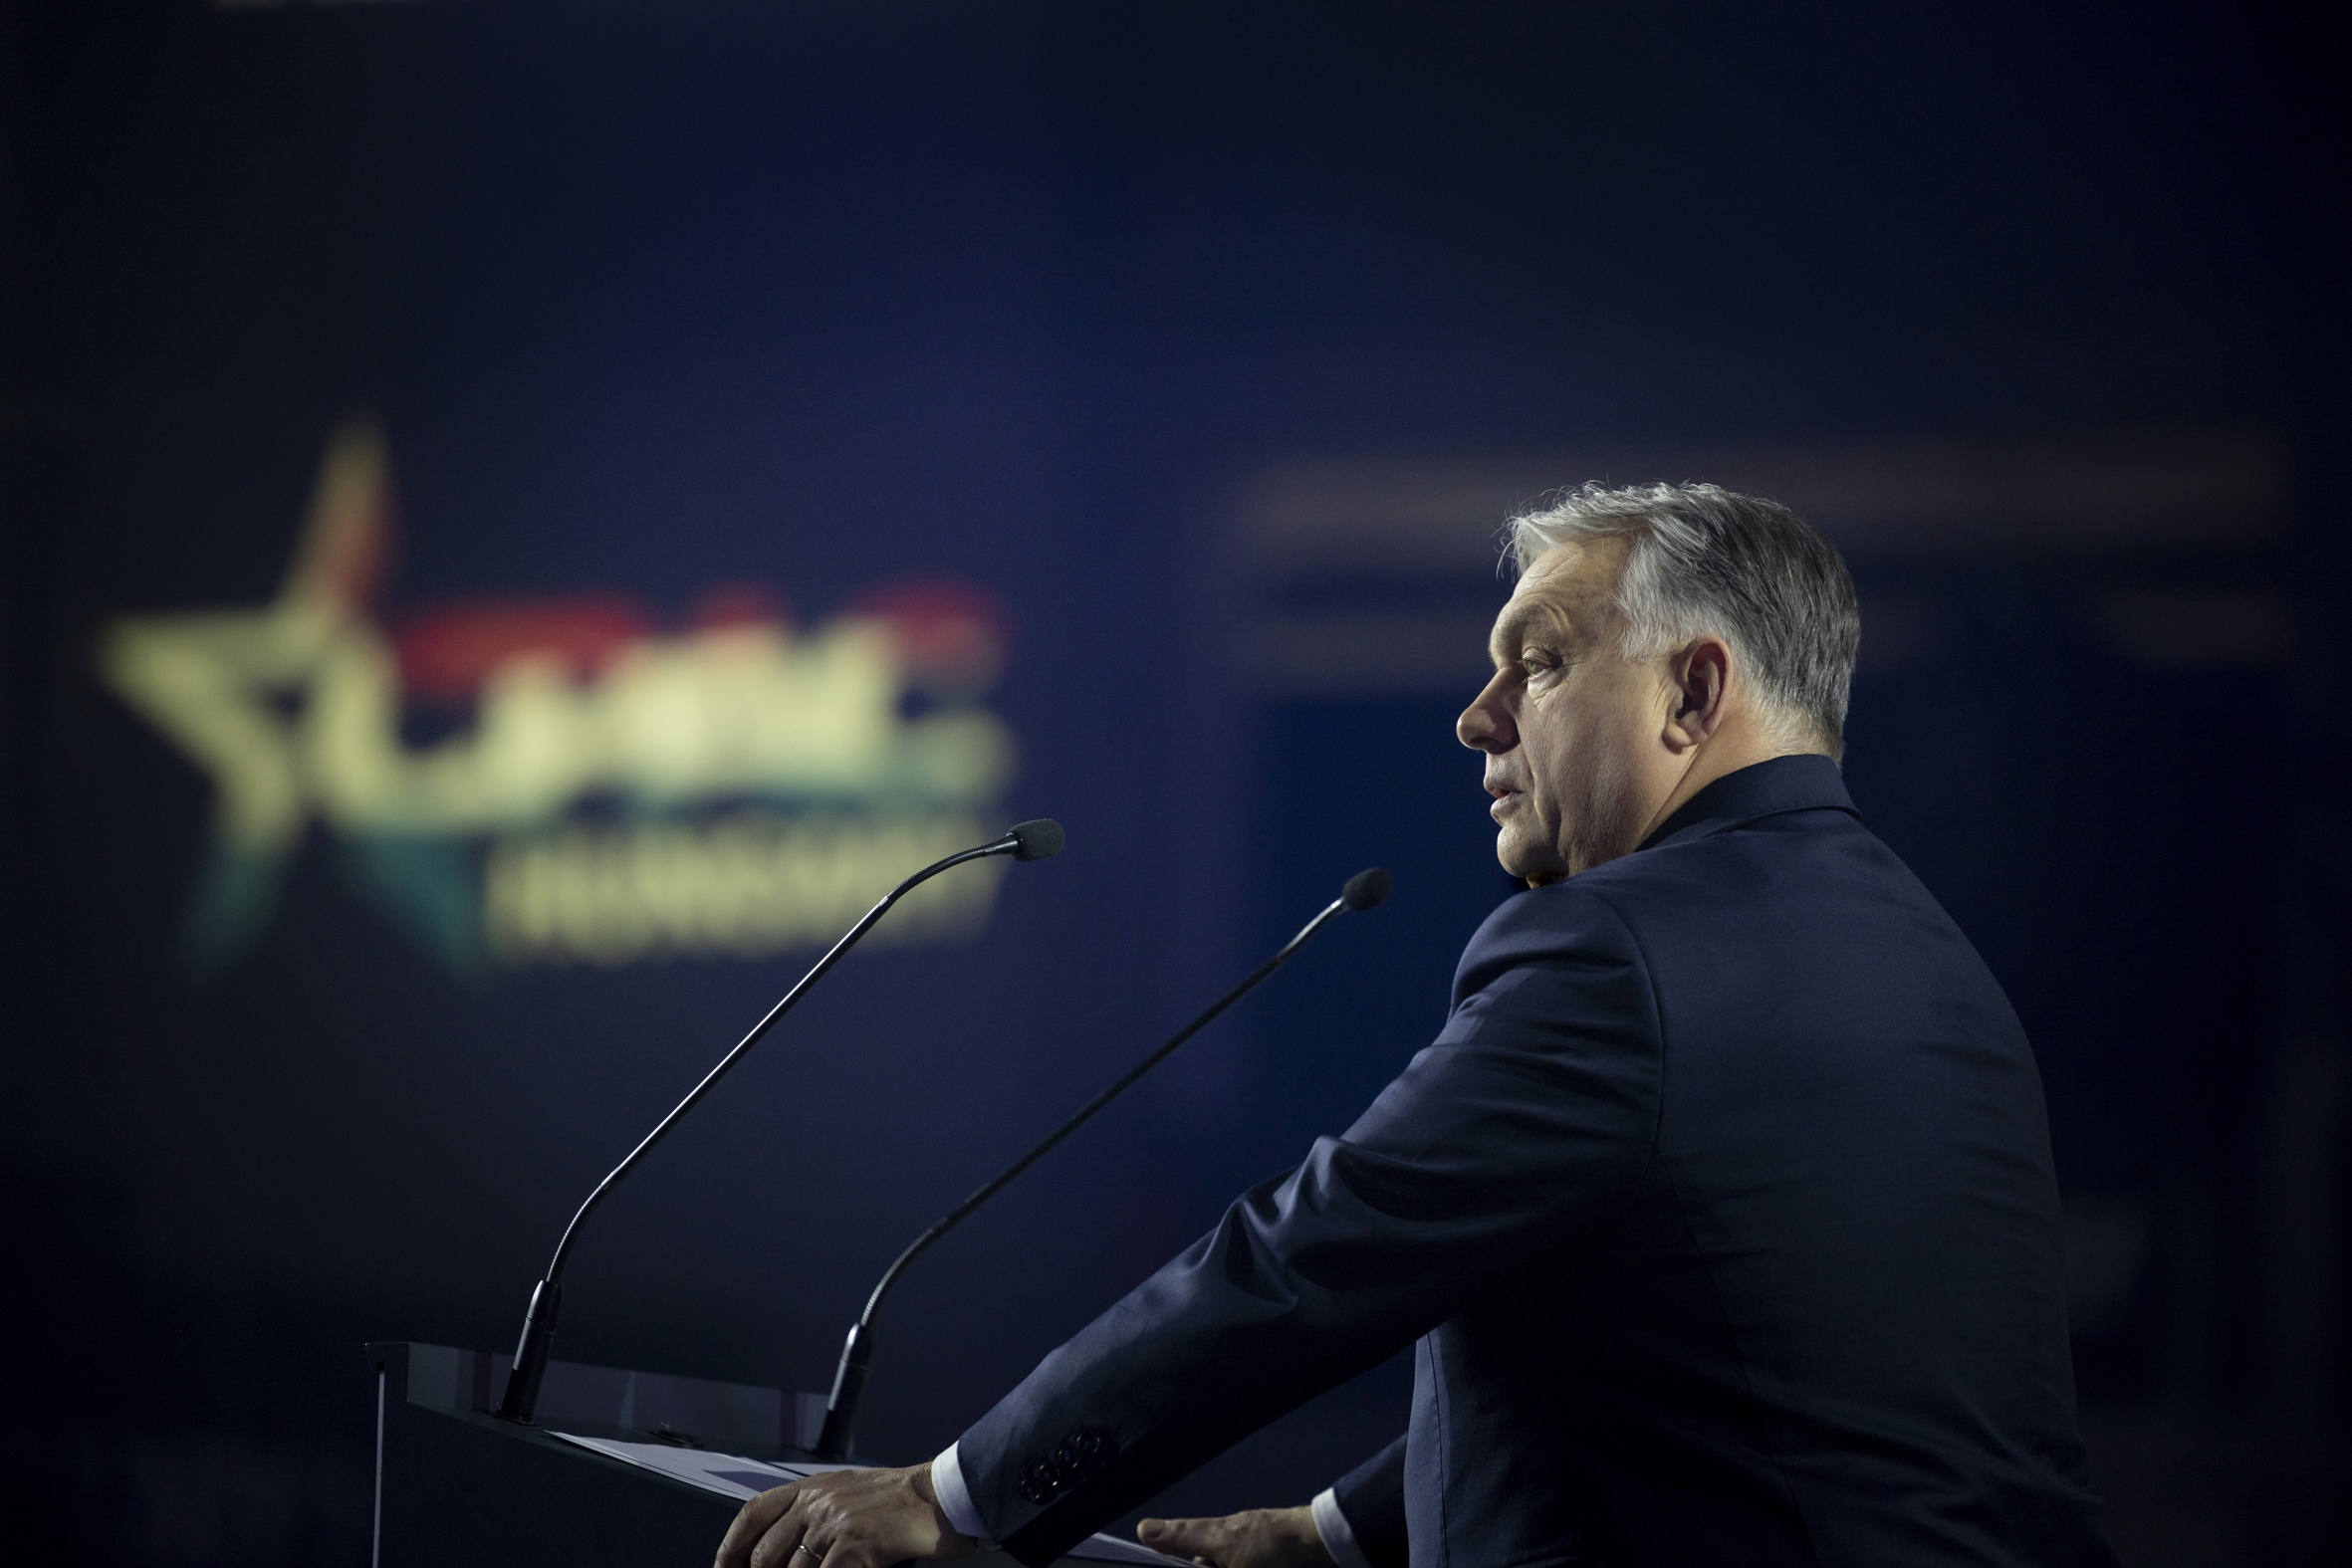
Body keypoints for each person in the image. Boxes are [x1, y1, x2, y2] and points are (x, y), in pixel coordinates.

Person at [717, 483, 2116, 1568]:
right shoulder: (1936, 970)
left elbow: (1310, 1258)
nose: (1474, 717)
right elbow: (1752, 1361)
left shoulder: (1616, 947)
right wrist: (1337, 1532)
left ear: (1694, 691)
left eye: (1539, 661)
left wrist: (955, 1500)